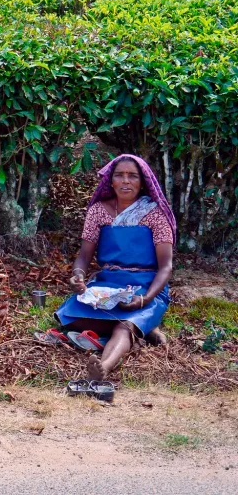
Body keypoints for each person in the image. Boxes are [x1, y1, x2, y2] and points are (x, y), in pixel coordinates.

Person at [55, 154, 175, 381]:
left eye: (133, 176)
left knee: (125, 325)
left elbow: (166, 267)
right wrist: (78, 276)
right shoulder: (98, 211)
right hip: (106, 285)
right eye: (119, 175)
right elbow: (83, 256)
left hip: (146, 286)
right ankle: (145, 329)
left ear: (143, 182)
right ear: (111, 181)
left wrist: (144, 300)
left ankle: (104, 366)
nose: (126, 181)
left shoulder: (155, 214)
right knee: (68, 318)